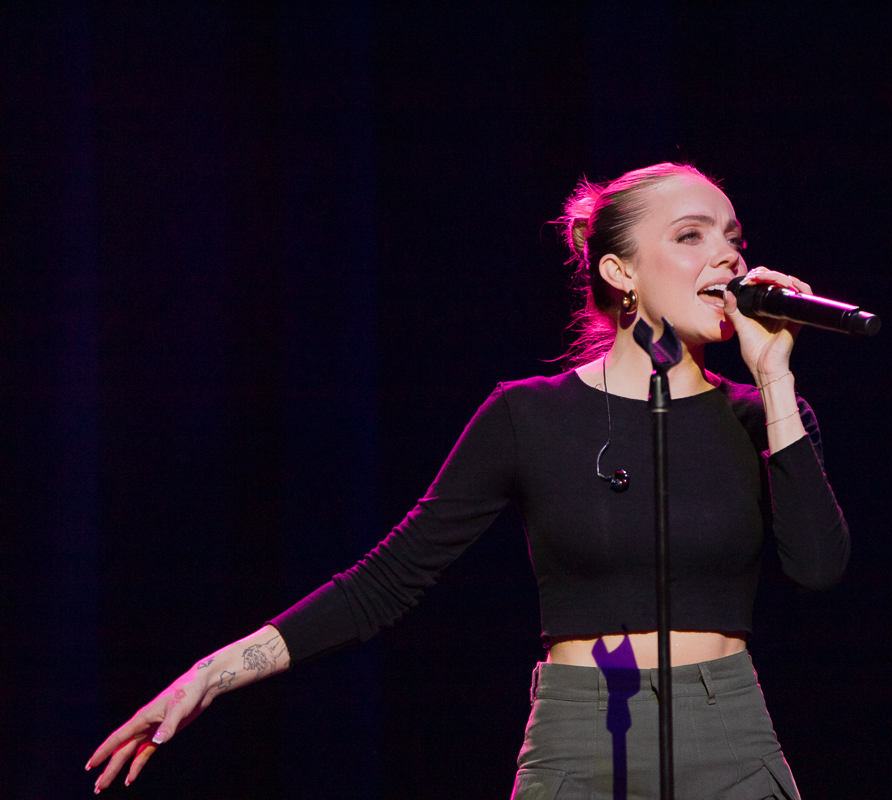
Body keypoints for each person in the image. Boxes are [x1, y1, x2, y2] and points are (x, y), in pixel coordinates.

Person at [87, 162, 850, 798]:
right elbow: (387, 581)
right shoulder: (529, 415)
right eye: (691, 236)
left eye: (733, 238)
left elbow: (817, 567)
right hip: (583, 731)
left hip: (727, 727)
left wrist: (775, 377)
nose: (728, 259)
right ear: (620, 272)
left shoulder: (761, 416)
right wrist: (212, 674)